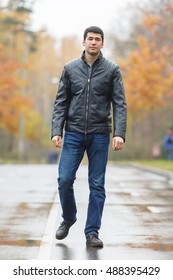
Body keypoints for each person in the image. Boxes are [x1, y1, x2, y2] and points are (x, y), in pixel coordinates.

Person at [51, 26, 127, 247]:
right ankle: (69, 217)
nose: (93, 42)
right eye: (90, 39)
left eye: (97, 39)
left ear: (102, 44)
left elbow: (120, 104)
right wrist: (57, 130)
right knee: (64, 179)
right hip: (73, 132)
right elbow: (60, 103)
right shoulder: (70, 69)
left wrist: (119, 133)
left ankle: (92, 232)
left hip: (100, 135)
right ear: (83, 42)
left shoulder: (112, 70)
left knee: (97, 185)